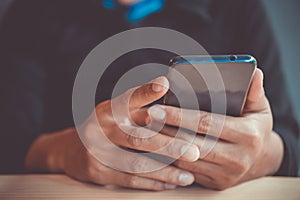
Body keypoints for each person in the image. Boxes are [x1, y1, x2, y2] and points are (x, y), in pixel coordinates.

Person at [0, 0, 298, 191]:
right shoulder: (34, 11)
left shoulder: (237, 7)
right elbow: (10, 145)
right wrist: (68, 152)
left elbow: (290, 138)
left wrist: (262, 155)